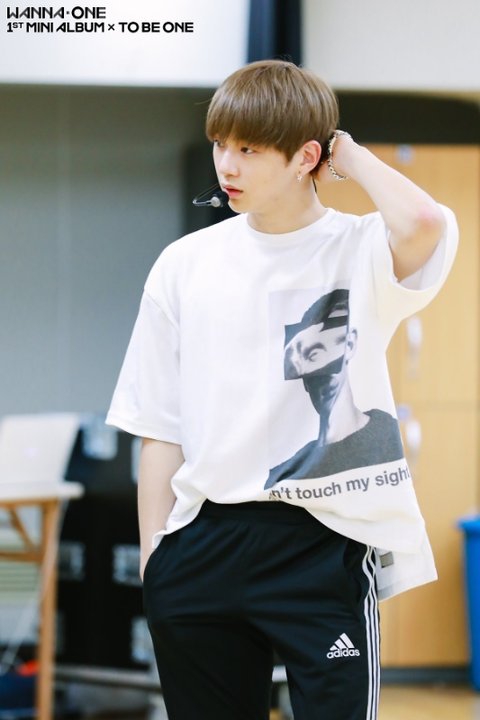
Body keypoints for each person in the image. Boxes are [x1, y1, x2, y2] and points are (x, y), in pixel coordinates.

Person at [106, 60, 458, 720]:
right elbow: (158, 425)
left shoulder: (360, 248)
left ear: (306, 157)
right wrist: (157, 557)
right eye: (220, 144)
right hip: (202, 543)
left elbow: (423, 223)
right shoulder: (185, 264)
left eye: (249, 149)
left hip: (321, 541)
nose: (226, 165)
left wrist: (348, 153)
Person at [265, 287, 404, 487]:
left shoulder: (383, 439)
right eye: (312, 355)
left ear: (350, 345)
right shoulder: (286, 468)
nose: (323, 373)